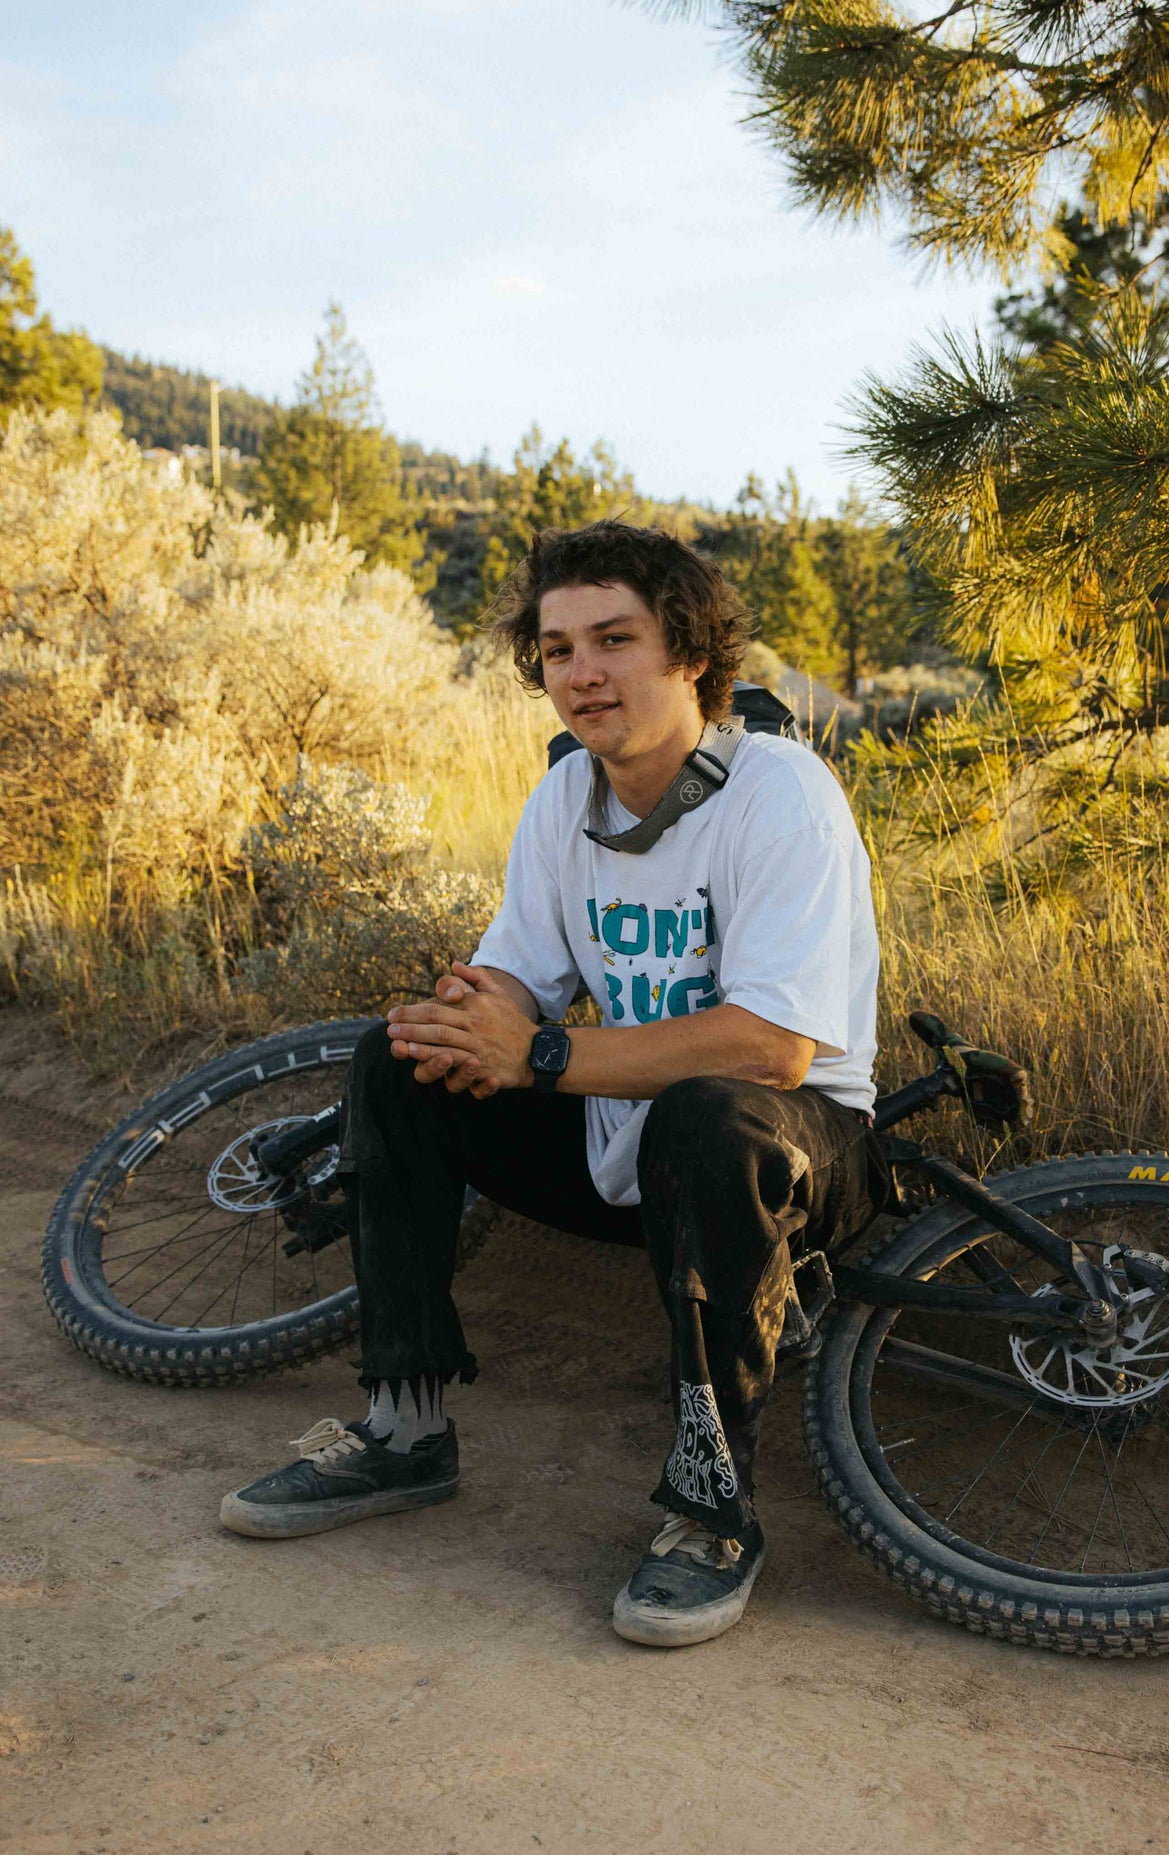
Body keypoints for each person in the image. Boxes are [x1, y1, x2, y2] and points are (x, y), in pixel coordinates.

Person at [219, 520, 886, 1647]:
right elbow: (520, 982)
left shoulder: (780, 793)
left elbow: (775, 1048)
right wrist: (473, 1012)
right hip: (627, 1138)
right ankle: (405, 1429)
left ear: (689, 651)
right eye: (557, 647)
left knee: (707, 1110)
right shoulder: (564, 802)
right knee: (400, 1062)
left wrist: (538, 1053)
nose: (580, 672)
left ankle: (713, 1512)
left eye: (614, 639)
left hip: (795, 1151)